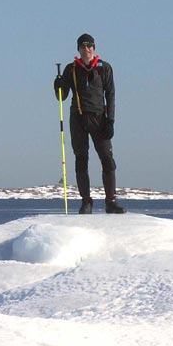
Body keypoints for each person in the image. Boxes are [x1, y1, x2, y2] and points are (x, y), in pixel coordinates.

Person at [54, 33, 126, 214]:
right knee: (81, 159)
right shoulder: (71, 69)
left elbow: (110, 95)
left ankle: (110, 201)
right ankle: (86, 201)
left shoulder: (104, 68)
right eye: (83, 46)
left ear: (94, 48)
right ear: (78, 48)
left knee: (107, 160)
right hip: (77, 118)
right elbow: (62, 97)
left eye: (90, 46)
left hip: (99, 118)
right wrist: (57, 85)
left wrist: (111, 120)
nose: (87, 49)